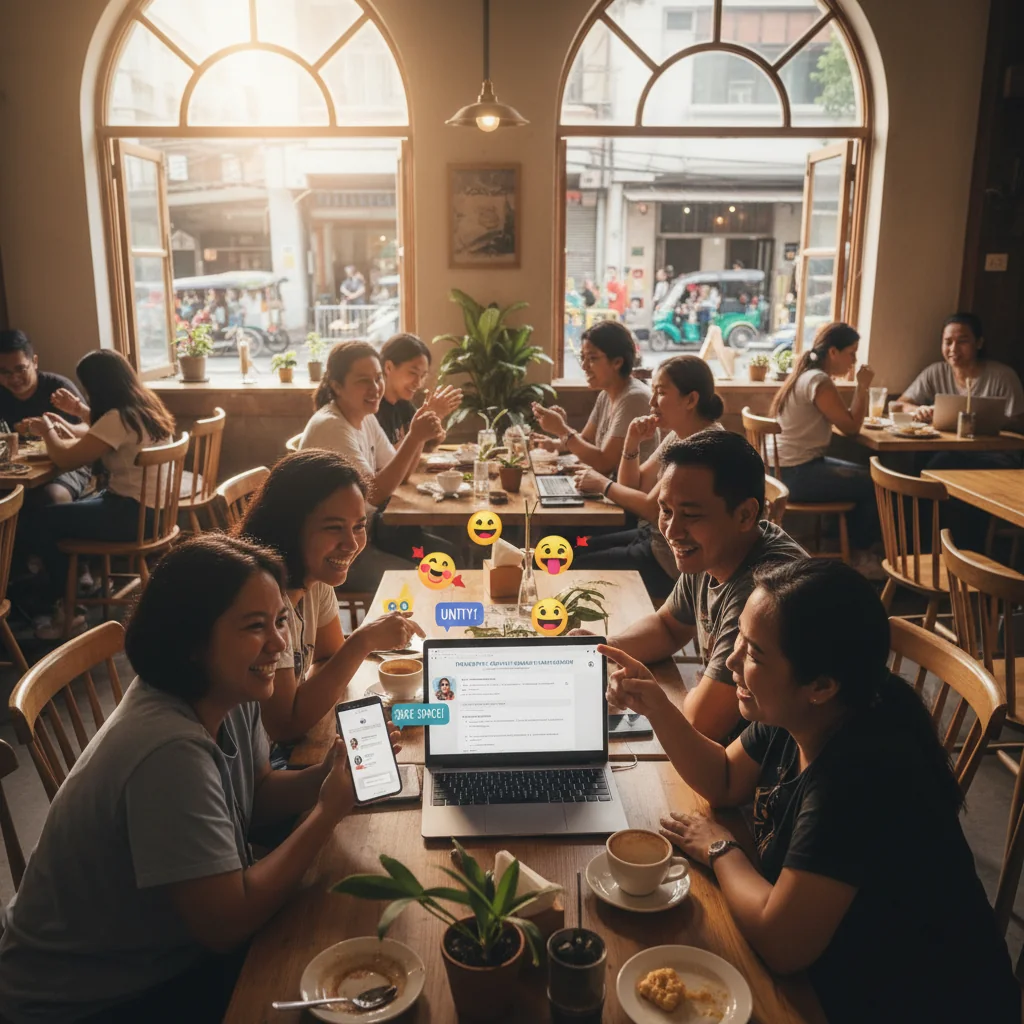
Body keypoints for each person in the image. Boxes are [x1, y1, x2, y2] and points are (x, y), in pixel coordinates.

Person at [0, 534, 405, 1024]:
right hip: (94, 999)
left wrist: (328, 774)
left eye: (280, 620)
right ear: (191, 642)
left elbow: (253, 796)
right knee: (349, 954)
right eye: (255, 626)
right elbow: (227, 924)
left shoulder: (225, 692)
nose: (279, 643)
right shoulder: (168, 751)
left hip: (160, 951)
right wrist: (326, 812)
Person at [599, 559, 1019, 1024]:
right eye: (737, 638)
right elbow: (722, 778)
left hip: (910, 1002)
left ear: (820, 685)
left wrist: (721, 848)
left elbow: (783, 944)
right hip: (834, 965)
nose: (732, 661)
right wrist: (655, 703)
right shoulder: (801, 714)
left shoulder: (861, 774)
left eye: (754, 654)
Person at [574, 431, 804, 743]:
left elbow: (703, 722)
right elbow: (668, 627)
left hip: (773, 764)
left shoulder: (763, 590)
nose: (672, 530)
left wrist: (666, 698)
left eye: (691, 515)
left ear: (746, 514)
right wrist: (604, 648)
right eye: (665, 510)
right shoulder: (714, 549)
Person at [237, 450, 425, 742]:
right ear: (291, 527)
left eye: (359, 527)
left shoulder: (315, 581)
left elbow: (328, 658)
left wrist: (353, 651)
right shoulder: (267, 601)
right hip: (263, 764)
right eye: (333, 528)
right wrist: (363, 641)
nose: (351, 544)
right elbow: (285, 727)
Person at [24, 350, 176, 639]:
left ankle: (69, 609)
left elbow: (67, 460)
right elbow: (99, 431)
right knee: (64, 512)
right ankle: (78, 577)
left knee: (43, 520)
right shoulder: (143, 405)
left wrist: (47, 431)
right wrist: (76, 414)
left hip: (131, 515)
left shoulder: (118, 417)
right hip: (155, 513)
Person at [572, 356, 725, 599]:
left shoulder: (702, 446)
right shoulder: (679, 433)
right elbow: (632, 485)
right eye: (652, 392)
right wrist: (632, 442)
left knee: (575, 564)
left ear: (691, 399)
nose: (652, 402)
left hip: (670, 561)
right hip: (650, 538)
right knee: (575, 546)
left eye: (661, 393)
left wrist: (602, 484)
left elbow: (650, 509)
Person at [298, 341, 451, 580]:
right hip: (338, 553)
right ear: (337, 386)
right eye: (363, 381)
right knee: (436, 575)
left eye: (378, 378)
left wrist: (417, 435)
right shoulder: (332, 426)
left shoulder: (365, 417)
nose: (375, 388)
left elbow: (401, 476)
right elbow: (375, 494)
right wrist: (414, 435)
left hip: (367, 535)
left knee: (448, 554)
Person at [769, 322, 880, 572]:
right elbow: (851, 428)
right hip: (795, 475)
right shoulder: (818, 380)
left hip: (780, 471)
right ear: (833, 352)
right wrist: (862, 386)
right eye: (851, 353)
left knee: (865, 475)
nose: (853, 361)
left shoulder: (805, 376)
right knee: (876, 482)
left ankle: (838, 542)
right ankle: (859, 555)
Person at [531, 321, 656, 474]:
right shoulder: (606, 394)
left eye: (591, 358)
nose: (584, 366)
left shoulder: (633, 399)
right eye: (582, 357)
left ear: (617, 362)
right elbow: (585, 441)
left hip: (627, 494)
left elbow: (604, 464)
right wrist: (554, 443)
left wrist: (562, 430)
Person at [0, 330, 91, 506]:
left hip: (67, 466)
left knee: (52, 496)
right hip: (16, 470)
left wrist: (59, 428)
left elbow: (90, 428)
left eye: (20, 369)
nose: (14, 378)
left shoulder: (58, 387)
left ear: (34, 362)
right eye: (4, 372)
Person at [899, 312, 1024, 432]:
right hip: (946, 447)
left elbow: (1019, 422)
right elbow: (900, 404)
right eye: (948, 342)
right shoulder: (935, 372)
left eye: (962, 341)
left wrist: (984, 421)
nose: (953, 349)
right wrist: (918, 410)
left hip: (991, 450)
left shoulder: (1003, 376)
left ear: (979, 343)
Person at [375, 333, 462, 446]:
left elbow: (420, 448)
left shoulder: (403, 404)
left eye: (423, 376)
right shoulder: (373, 408)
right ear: (388, 367)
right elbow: (390, 458)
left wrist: (433, 432)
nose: (418, 383)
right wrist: (432, 414)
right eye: (413, 373)